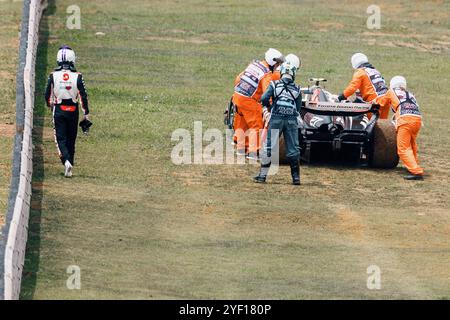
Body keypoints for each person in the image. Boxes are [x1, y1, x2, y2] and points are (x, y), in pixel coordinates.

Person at [254, 55, 302, 185]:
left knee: (270, 146)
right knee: (293, 148)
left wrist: (269, 108)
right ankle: (296, 178)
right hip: (291, 119)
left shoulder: (274, 84)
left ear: (281, 73)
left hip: (276, 118)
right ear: (293, 74)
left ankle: (262, 176)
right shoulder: (297, 89)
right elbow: (298, 108)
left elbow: (264, 98)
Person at [44, 45, 90, 178]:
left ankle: (66, 162)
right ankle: (70, 163)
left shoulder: (53, 75)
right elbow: (83, 95)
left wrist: (50, 104)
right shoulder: (78, 76)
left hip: (59, 109)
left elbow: (47, 94)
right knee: (71, 138)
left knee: (60, 139)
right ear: (73, 59)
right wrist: (86, 113)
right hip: (73, 110)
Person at [232, 48, 284, 160]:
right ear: (273, 62)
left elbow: (238, 79)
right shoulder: (266, 74)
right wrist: (270, 104)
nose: (278, 66)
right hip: (248, 100)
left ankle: (241, 149)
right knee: (256, 124)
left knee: (242, 123)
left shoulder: (254, 65)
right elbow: (267, 93)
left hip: (237, 96)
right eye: (278, 64)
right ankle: (253, 152)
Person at [376, 76, 424, 180]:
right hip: (417, 120)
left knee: (403, 148)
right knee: (412, 144)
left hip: (405, 120)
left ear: (392, 84)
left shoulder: (391, 91)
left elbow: (380, 103)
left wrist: (371, 102)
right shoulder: (410, 94)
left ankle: (416, 172)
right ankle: (413, 166)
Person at [337, 53, 390, 119]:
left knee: (371, 126)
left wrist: (341, 97)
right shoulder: (376, 71)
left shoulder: (360, 72)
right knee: (382, 126)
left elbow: (352, 88)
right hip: (386, 100)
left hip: (375, 102)